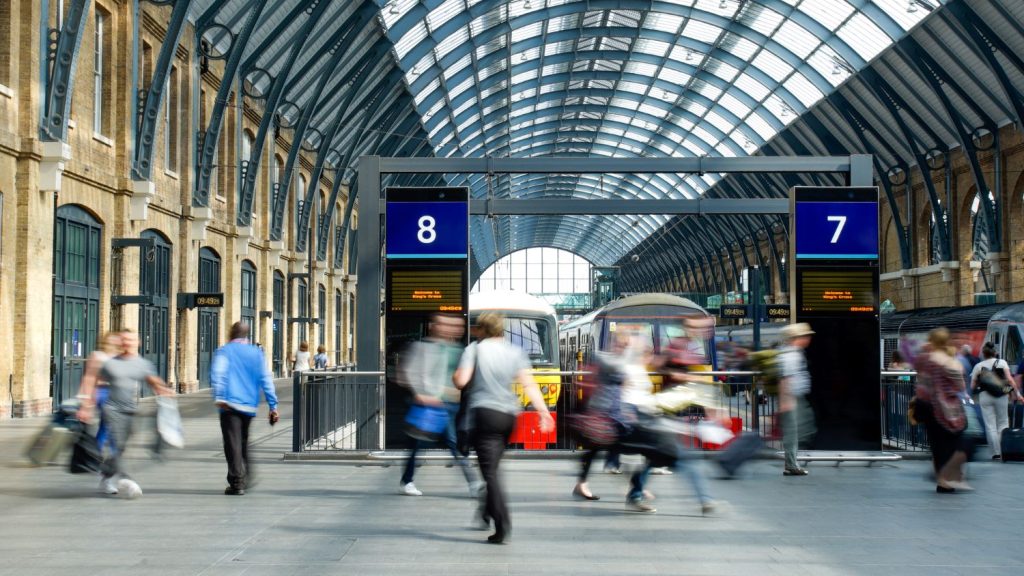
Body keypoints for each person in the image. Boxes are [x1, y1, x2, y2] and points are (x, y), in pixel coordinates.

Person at [453, 313, 553, 544]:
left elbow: (461, 381)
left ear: (481, 329)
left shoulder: (475, 349)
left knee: (490, 474)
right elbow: (528, 384)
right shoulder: (515, 351)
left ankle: (502, 524)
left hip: (485, 415)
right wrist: (544, 412)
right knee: (494, 469)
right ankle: (486, 510)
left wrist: (455, 375)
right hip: (509, 416)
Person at [398, 314, 478, 497]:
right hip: (428, 405)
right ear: (435, 326)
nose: (452, 329)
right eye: (447, 325)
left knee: (447, 444)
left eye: (457, 326)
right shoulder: (422, 347)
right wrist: (420, 393)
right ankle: (473, 482)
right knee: (427, 444)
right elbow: (409, 372)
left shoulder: (458, 349)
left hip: (449, 405)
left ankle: (407, 480)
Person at [95, 329, 174, 496]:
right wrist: (87, 403)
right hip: (111, 408)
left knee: (122, 446)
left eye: (130, 340)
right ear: (120, 343)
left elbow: (153, 381)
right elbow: (93, 381)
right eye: (123, 340)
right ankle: (127, 480)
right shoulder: (110, 363)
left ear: (137, 342)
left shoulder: (143, 364)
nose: (127, 343)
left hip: (130, 409)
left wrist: (164, 390)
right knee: (117, 442)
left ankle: (106, 476)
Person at [211, 322, 279, 495]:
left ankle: (237, 482)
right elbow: (266, 379)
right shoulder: (256, 353)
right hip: (249, 405)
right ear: (246, 335)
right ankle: (246, 473)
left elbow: (219, 374)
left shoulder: (224, 351)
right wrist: (273, 405)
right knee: (242, 440)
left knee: (232, 443)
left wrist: (219, 397)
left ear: (231, 334)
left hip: (229, 404)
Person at [913, 328, 970, 493]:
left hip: (928, 406)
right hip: (949, 410)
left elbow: (919, 373)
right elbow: (961, 386)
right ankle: (950, 477)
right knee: (953, 443)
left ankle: (942, 480)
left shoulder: (924, 359)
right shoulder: (950, 361)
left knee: (936, 445)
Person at [778, 322, 816, 476]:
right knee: (793, 432)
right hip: (792, 398)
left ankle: (791, 463)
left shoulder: (795, 352)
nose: (808, 339)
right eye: (805, 336)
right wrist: (786, 400)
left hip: (795, 397)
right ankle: (791, 465)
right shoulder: (791, 355)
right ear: (796, 338)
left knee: (797, 430)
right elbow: (785, 379)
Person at [969, 342, 1015, 460]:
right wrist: (1016, 393)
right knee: (1003, 422)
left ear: (983, 354)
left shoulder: (978, 366)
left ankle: (995, 453)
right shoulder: (1002, 363)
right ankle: (1003, 449)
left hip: (985, 396)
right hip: (1001, 394)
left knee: (990, 425)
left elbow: (972, 386)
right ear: (995, 352)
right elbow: (1010, 380)